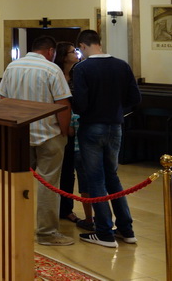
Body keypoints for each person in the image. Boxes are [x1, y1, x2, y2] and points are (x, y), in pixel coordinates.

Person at [0, 35, 73, 246]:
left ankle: (12, 226)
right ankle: (47, 233)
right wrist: (64, 130)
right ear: (50, 52)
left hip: (19, 133)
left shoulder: (12, 67)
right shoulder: (51, 69)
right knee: (49, 183)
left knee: (16, 181)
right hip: (48, 134)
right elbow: (63, 104)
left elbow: (2, 101)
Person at [72, 29, 142, 248]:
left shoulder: (82, 68)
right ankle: (126, 229)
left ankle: (104, 232)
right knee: (112, 177)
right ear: (99, 43)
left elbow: (81, 104)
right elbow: (135, 98)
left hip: (92, 127)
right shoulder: (122, 65)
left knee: (95, 179)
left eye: (79, 50)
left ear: (82, 46)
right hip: (116, 126)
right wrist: (116, 110)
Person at [53, 42, 94, 231]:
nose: (76, 54)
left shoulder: (79, 72)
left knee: (70, 170)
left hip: (77, 126)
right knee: (59, 171)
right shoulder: (55, 74)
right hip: (57, 125)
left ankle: (67, 209)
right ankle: (56, 207)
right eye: (72, 52)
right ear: (63, 56)